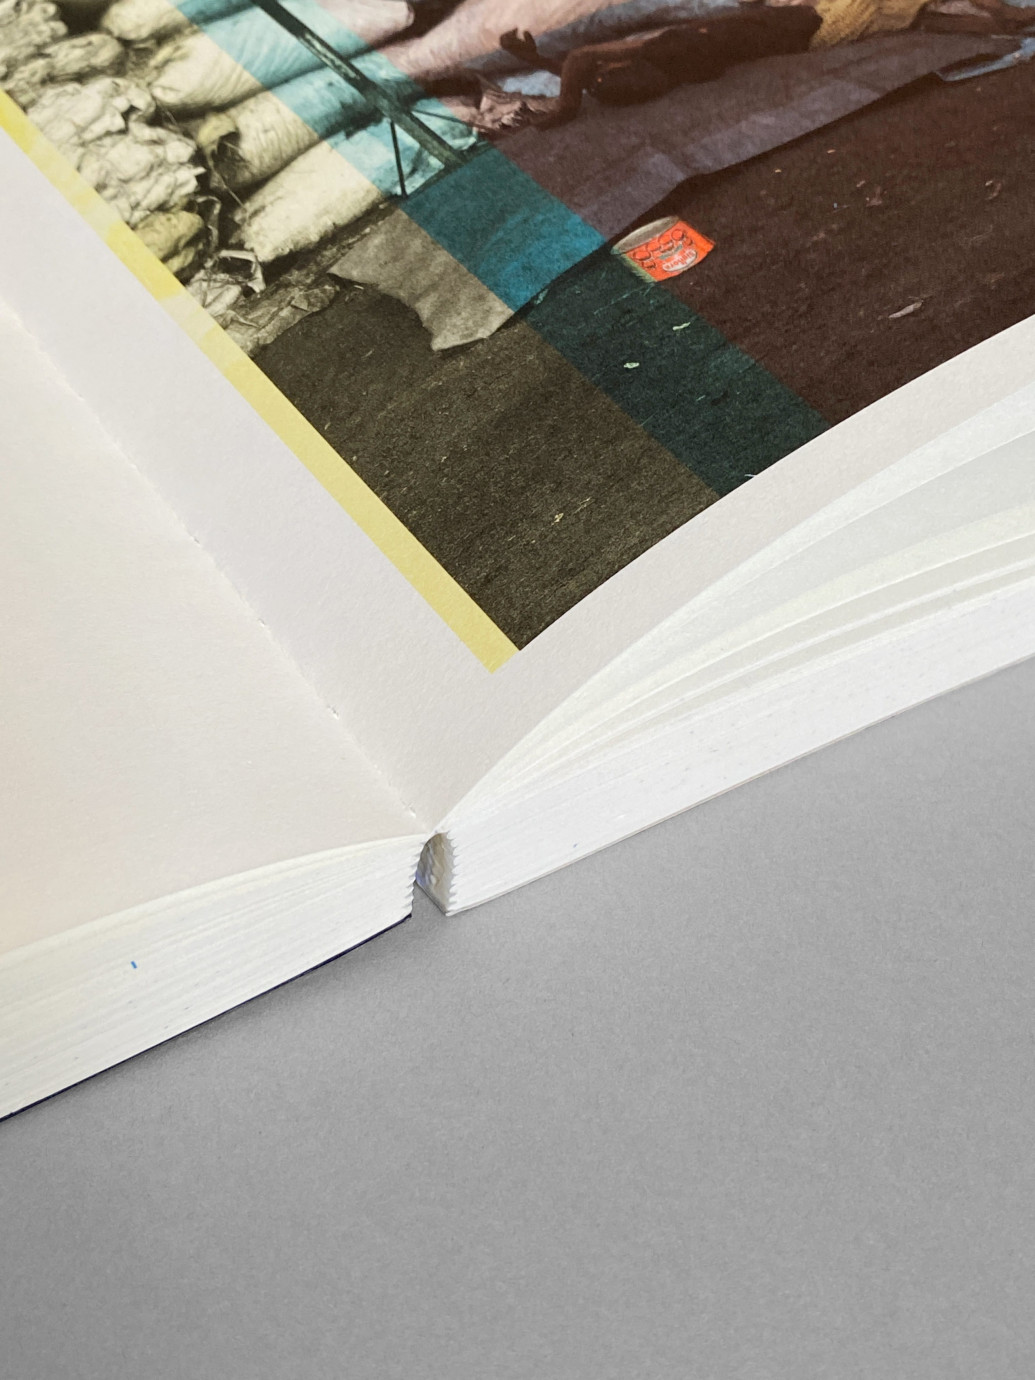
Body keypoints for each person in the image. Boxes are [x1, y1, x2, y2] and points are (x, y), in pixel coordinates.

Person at [501, 0, 1035, 126]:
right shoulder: (669, 51)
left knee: (917, 17)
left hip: (808, 28)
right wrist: (564, 106)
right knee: (913, 11)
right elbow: (586, 61)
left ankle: (1010, 20)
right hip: (811, 25)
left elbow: (584, 68)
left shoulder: (670, 63)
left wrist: (540, 61)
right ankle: (1012, 16)